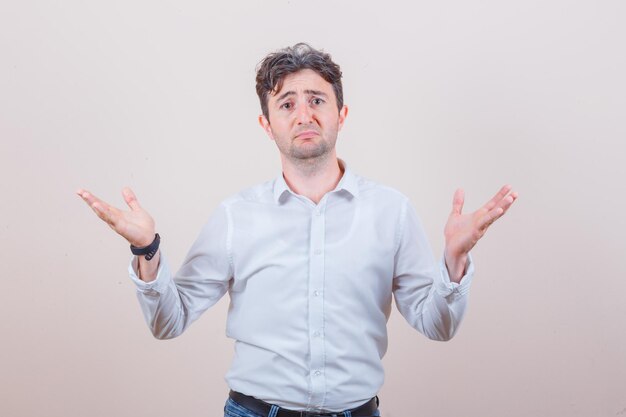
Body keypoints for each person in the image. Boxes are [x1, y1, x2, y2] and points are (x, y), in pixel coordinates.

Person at [77, 43, 517, 417]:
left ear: (341, 114)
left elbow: (438, 325)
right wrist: (147, 247)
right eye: (286, 103)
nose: (304, 113)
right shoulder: (236, 215)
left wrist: (454, 262)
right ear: (267, 125)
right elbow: (168, 322)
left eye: (317, 100)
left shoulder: (391, 212)